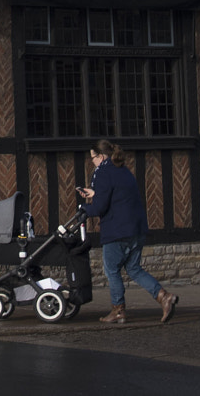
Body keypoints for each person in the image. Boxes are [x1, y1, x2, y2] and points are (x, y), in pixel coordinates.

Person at [76, 138, 176, 324]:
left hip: (117, 230)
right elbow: (117, 195)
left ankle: (118, 310)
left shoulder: (102, 172)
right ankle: (163, 296)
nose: (92, 161)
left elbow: (99, 208)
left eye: (93, 158)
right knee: (133, 268)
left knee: (112, 270)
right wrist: (95, 193)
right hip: (136, 228)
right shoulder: (122, 169)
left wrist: (84, 208)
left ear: (101, 156)